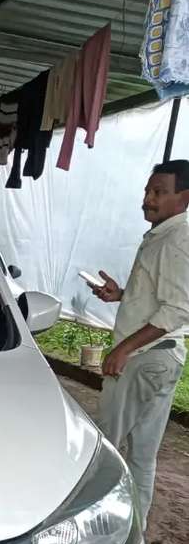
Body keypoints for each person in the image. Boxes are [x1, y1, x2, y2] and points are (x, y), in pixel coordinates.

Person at [90, 159, 189, 522]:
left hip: (144, 358)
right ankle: (134, 527)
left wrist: (124, 348)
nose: (148, 198)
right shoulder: (164, 236)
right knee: (142, 454)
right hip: (161, 357)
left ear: (184, 197)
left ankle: (98, 527)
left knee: (106, 448)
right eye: (148, 190)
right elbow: (161, 297)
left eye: (160, 192)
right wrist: (122, 295)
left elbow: (178, 308)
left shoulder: (178, 240)